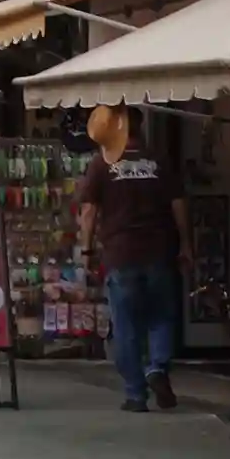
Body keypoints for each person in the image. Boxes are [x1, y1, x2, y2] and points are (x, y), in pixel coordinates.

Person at [78, 105, 189, 412]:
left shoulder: (101, 163)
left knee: (126, 326)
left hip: (120, 254)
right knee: (161, 317)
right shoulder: (160, 159)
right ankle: (157, 368)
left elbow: (89, 212)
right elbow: (179, 205)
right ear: (141, 127)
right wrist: (186, 245)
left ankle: (136, 394)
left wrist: (86, 250)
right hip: (159, 251)